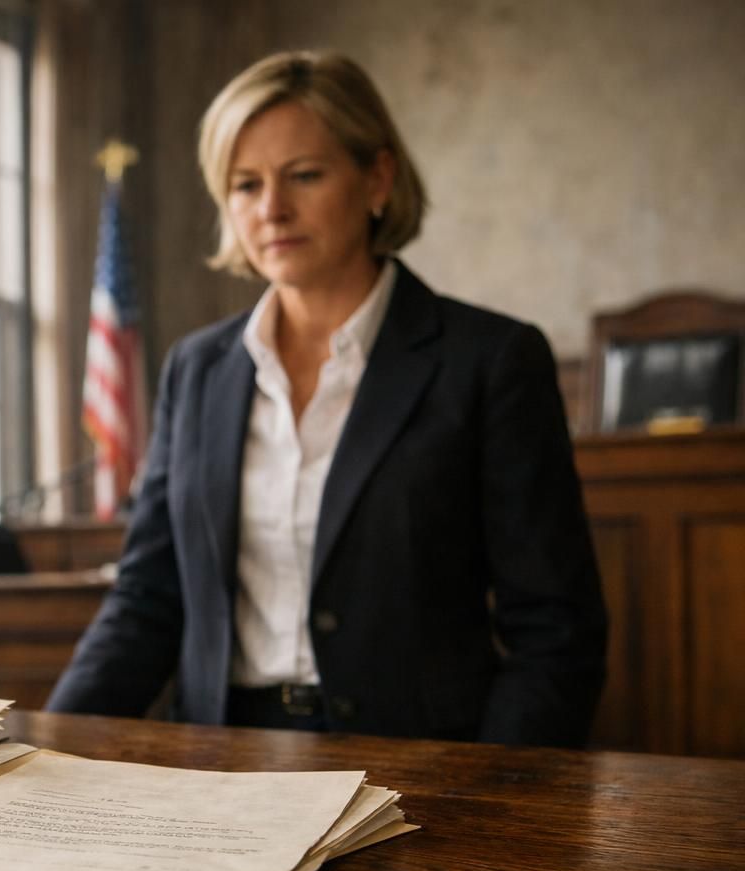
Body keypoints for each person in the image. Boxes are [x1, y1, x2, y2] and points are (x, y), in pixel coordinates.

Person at [45, 51, 607, 747]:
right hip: (220, 764)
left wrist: (497, 791)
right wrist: (42, 747)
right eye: (245, 185)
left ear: (378, 178)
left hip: (426, 768)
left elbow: (555, 629)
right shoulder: (197, 368)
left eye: (304, 176)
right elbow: (146, 601)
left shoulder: (490, 361)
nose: (271, 209)